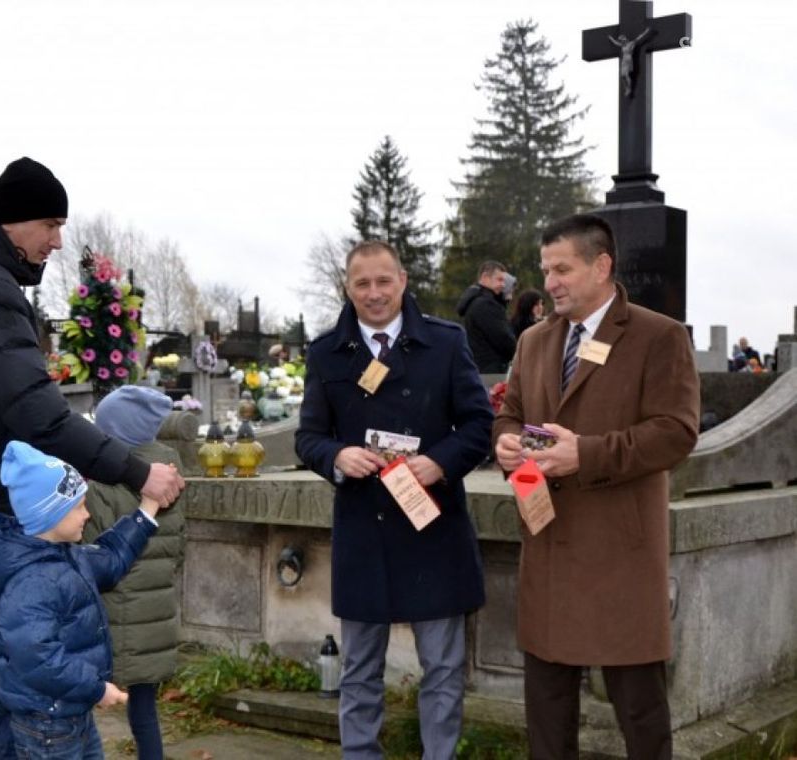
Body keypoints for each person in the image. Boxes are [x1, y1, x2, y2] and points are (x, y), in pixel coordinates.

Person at [0, 156, 184, 759]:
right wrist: (136, 469)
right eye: (49, 223)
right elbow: (36, 411)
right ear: (12, 221)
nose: (57, 240)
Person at [493, 214, 700, 760]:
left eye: (563, 268)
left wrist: (583, 454)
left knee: (640, 714)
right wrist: (507, 444)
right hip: (550, 546)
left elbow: (675, 433)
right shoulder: (534, 341)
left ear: (602, 266)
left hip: (619, 556)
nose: (551, 281)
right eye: (546, 269)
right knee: (548, 714)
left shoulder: (660, 336)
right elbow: (510, 415)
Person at [295, 241, 493, 760]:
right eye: (363, 283)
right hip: (365, 528)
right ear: (348, 288)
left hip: (433, 527)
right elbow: (308, 437)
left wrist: (440, 462)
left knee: (444, 668)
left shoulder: (447, 343)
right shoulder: (325, 353)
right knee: (360, 669)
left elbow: (478, 425)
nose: (375, 293)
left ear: (403, 280)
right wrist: (338, 456)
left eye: (384, 281)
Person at [0, 442, 168, 760]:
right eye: (78, 507)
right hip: (47, 725)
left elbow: (111, 559)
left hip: (68, 711)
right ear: (49, 515)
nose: (87, 514)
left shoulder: (65, 556)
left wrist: (145, 512)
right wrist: (96, 689)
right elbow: (38, 658)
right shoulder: (34, 581)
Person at [83, 386, 186, 760]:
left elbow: (93, 553)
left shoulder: (106, 478)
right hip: (156, 608)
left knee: (84, 698)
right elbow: (179, 543)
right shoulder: (171, 467)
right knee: (144, 710)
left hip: (114, 611)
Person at [456, 260, 518, 373]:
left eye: (504, 281)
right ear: (485, 277)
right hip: (491, 372)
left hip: (482, 369)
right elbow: (505, 341)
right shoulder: (486, 305)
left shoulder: (476, 302)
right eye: (499, 280)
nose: (503, 285)